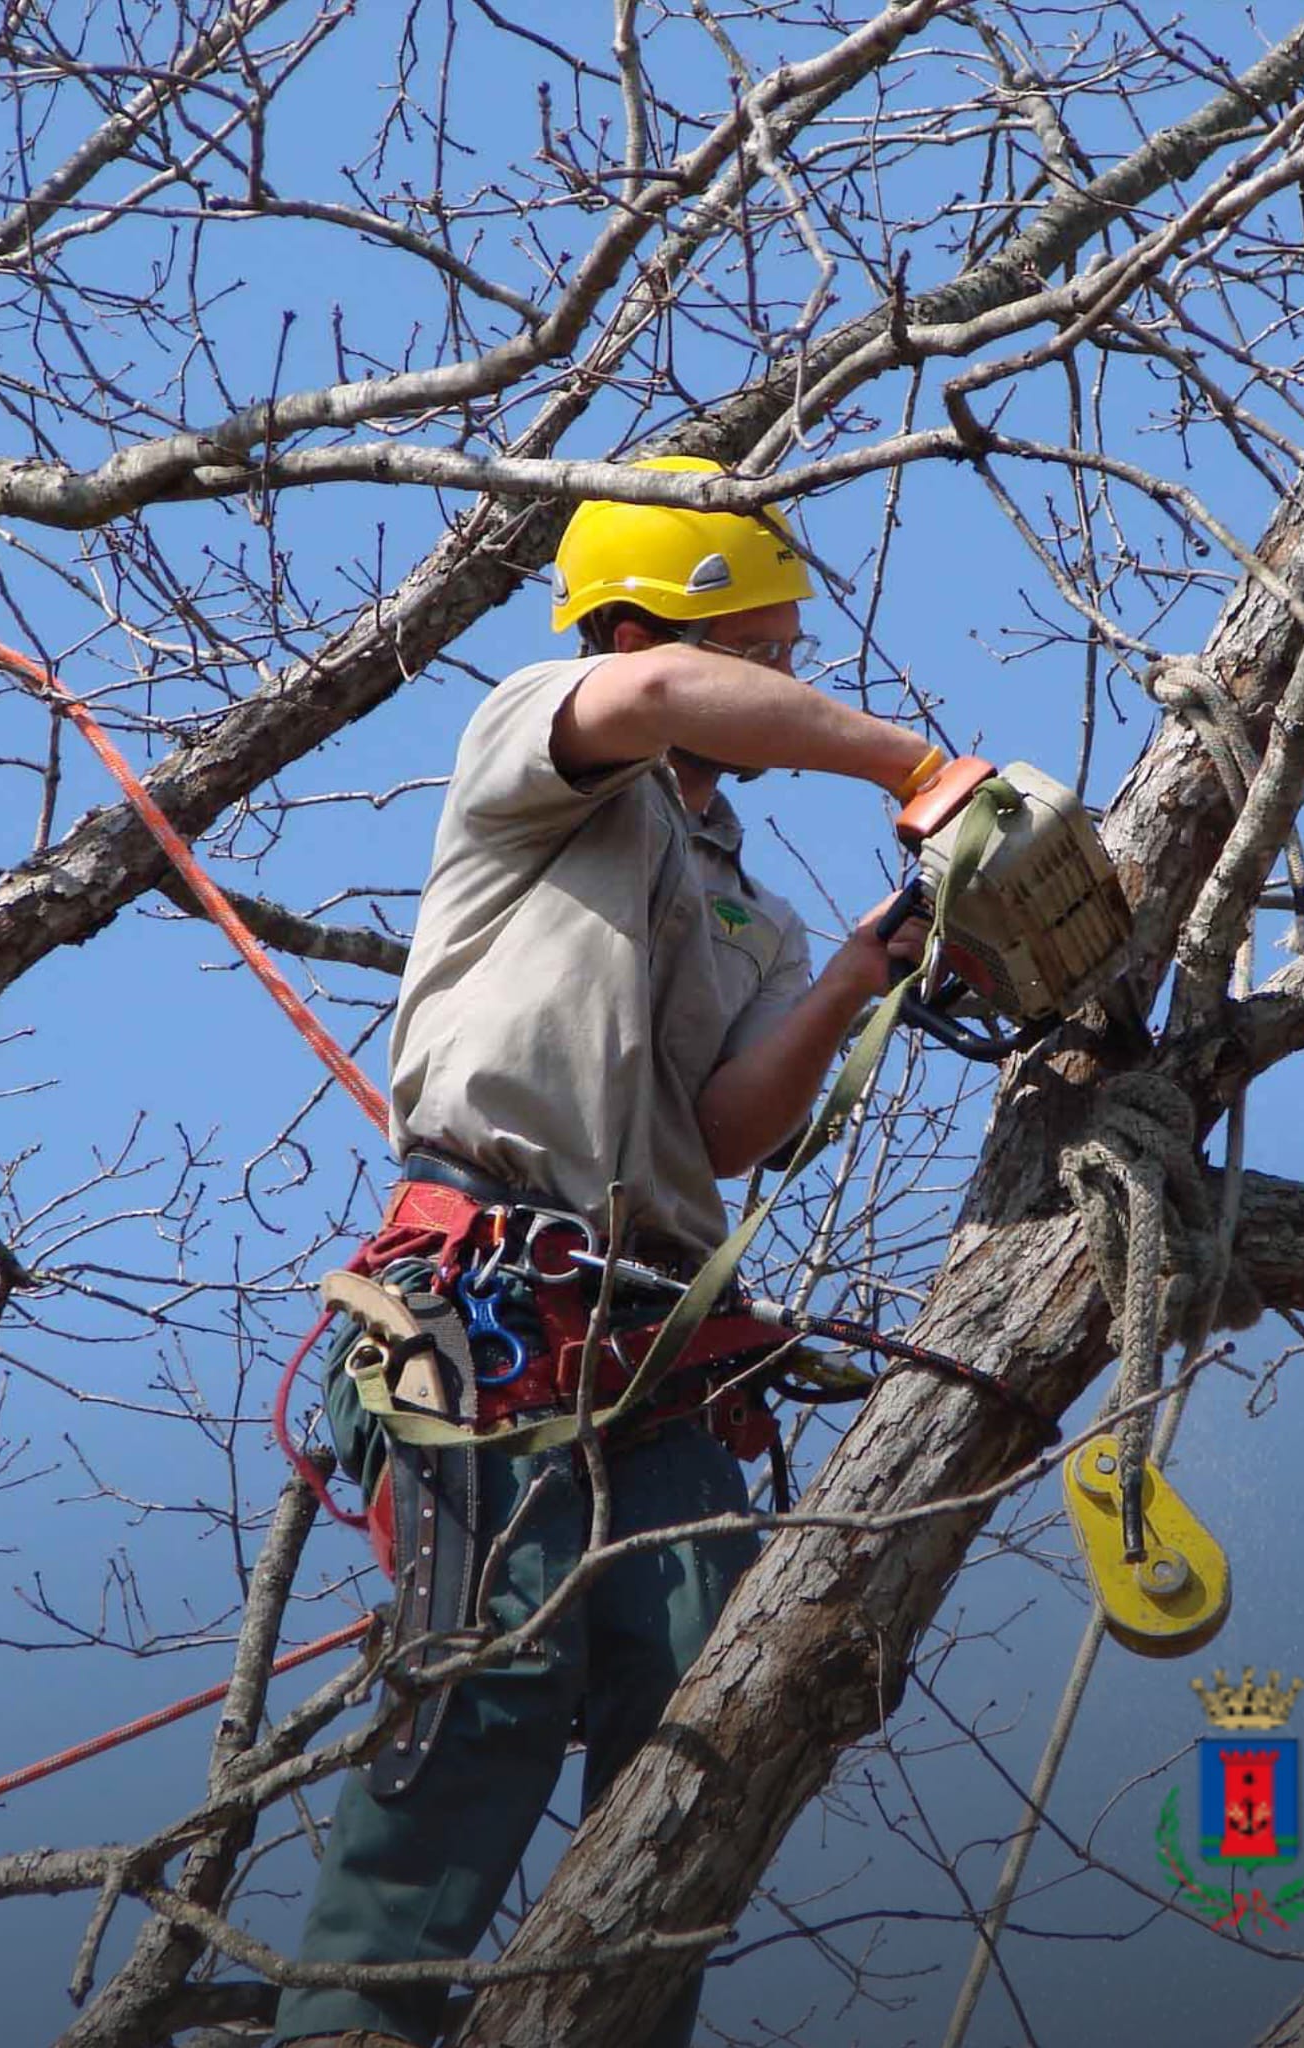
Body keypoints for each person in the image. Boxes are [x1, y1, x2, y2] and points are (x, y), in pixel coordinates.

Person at [274, 455, 941, 2048]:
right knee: (490, 1690)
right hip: (488, 1311)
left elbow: (725, 1130)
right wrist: (920, 760)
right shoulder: (541, 736)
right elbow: (644, 692)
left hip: (664, 1348)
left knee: (698, 1719)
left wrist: (861, 968)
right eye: (760, 658)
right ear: (655, 626)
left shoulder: (750, 911)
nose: (777, 687)